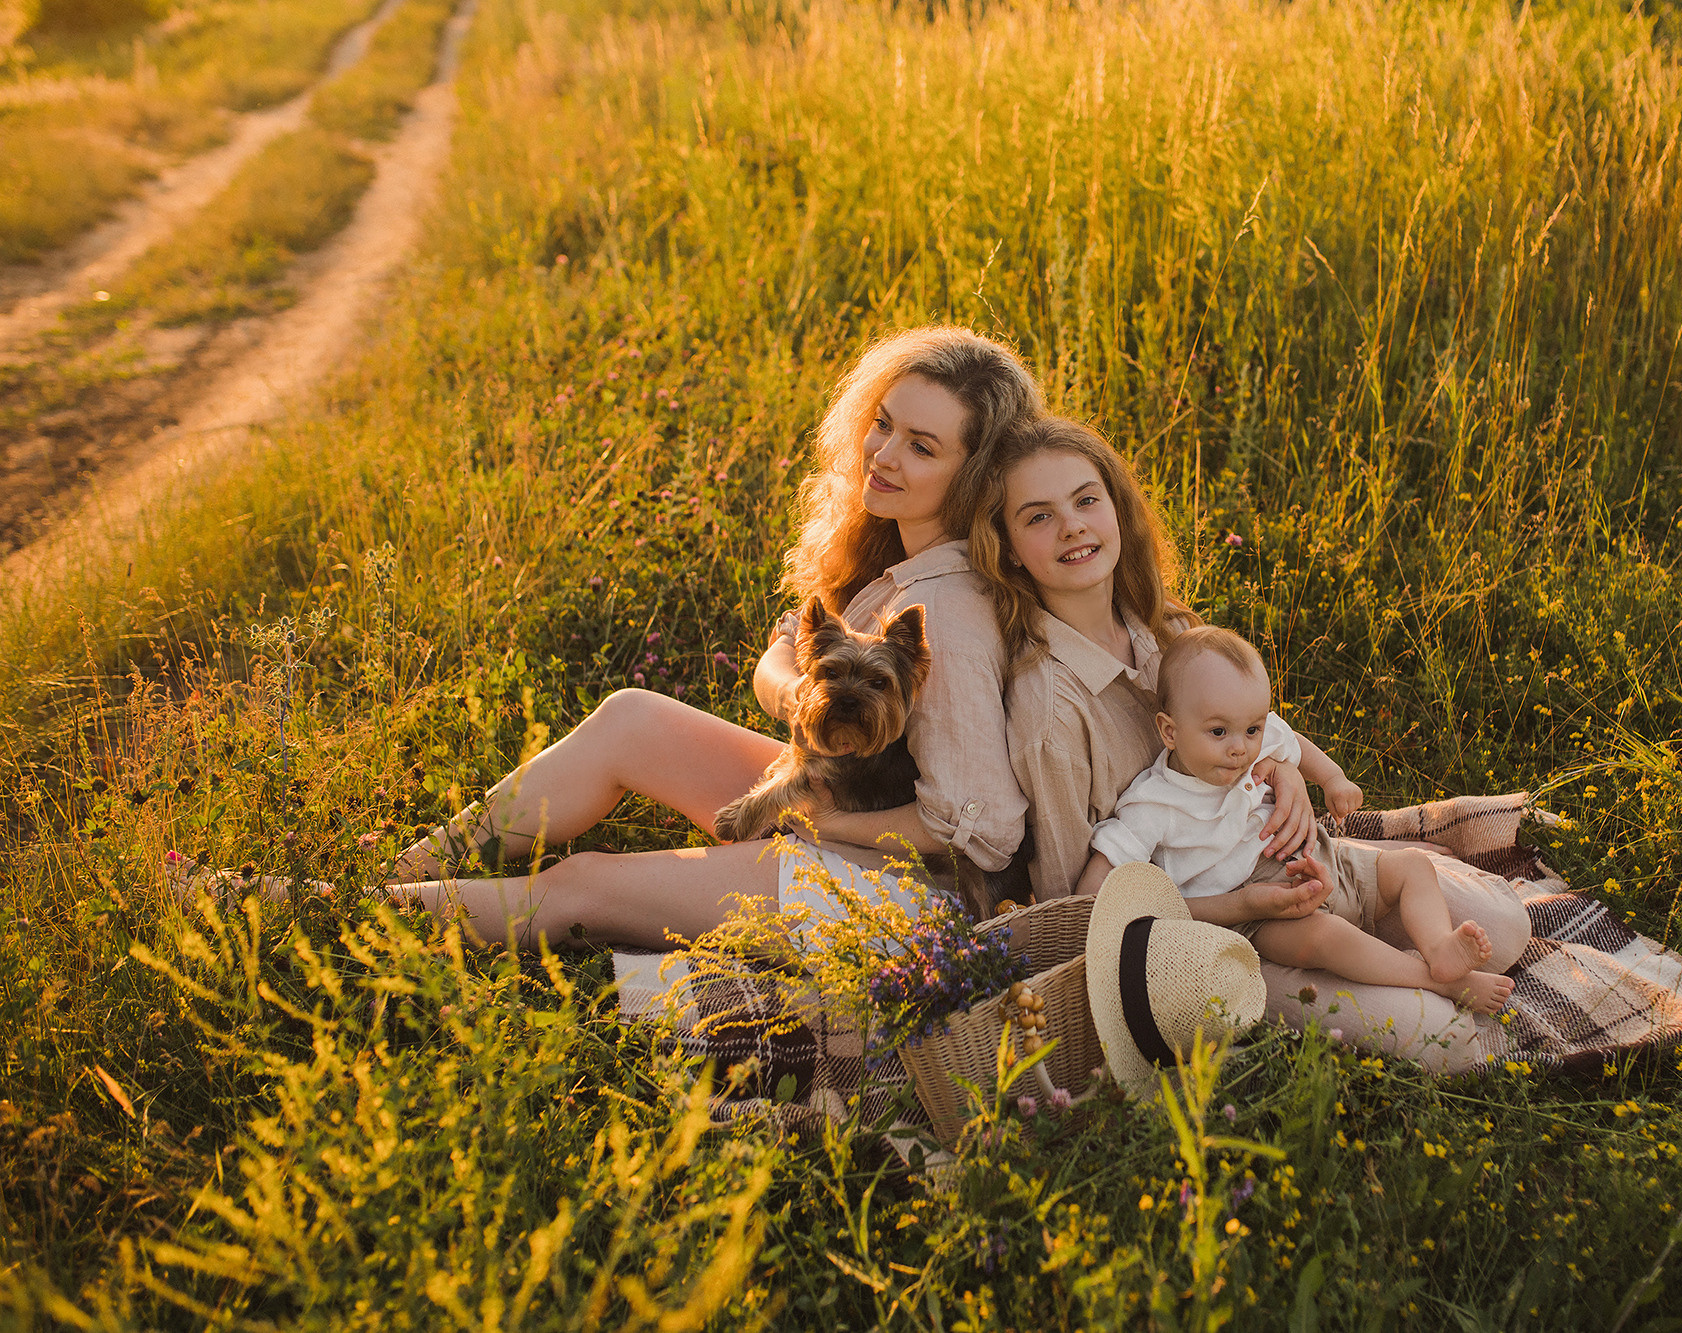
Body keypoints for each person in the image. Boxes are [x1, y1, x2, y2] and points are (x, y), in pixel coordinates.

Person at [384, 326, 1043, 948]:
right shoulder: (898, 559)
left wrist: (826, 823)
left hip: (912, 898)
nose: (884, 454)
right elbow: (781, 657)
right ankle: (405, 865)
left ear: (975, 475)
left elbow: (980, 829)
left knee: (585, 881)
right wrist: (801, 699)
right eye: (883, 424)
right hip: (848, 798)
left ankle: (365, 910)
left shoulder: (947, 611)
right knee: (632, 718)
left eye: (922, 447)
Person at [968, 414, 1534, 1071]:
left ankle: (1400, 943)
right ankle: (1401, 970)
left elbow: (1244, 724)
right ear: (1007, 545)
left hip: (1284, 864)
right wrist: (1240, 905)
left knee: (1506, 928)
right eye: (1038, 516)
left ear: (1115, 508)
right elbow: (1090, 922)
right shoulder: (1050, 714)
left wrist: (1284, 772)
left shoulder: (1166, 625)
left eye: (1087, 499)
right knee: (1451, 1040)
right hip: (1216, 932)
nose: (1072, 526)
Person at [1083, 625, 1516, 1013]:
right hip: (1257, 913)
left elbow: (1290, 739)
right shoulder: (1155, 804)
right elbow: (1096, 887)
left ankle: (1439, 948)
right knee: (1326, 938)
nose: (1241, 748)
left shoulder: (1249, 739)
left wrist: (1333, 779)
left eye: (1251, 730)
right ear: (1170, 731)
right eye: (1219, 732)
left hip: (1327, 860)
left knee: (1413, 867)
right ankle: (1437, 981)